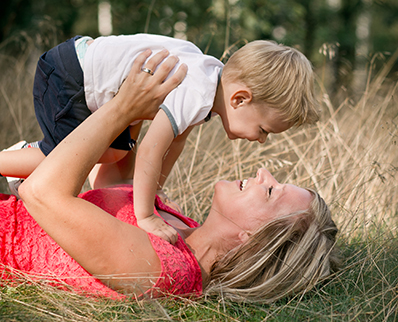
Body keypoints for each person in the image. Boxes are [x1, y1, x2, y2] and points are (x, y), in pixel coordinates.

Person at [0, 51, 338, 303]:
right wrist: (136, 108)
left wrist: (122, 109)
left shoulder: (168, 272)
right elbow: (108, 189)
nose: (264, 173)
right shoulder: (180, 226)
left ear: (253, 240)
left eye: (271, 193)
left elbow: (42, 193)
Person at [0, 33, 320, 244]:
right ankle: (16, 160)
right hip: (72, 75)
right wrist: (146, 215)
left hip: (83, 73)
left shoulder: (209, 80)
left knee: (112, 154)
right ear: (239, 99)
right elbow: (153, 147)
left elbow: (174, 142)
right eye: (264, 130)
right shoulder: (197, 91)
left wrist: (155, 192)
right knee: (61, 158)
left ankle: (32, 160)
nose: (261, 141)